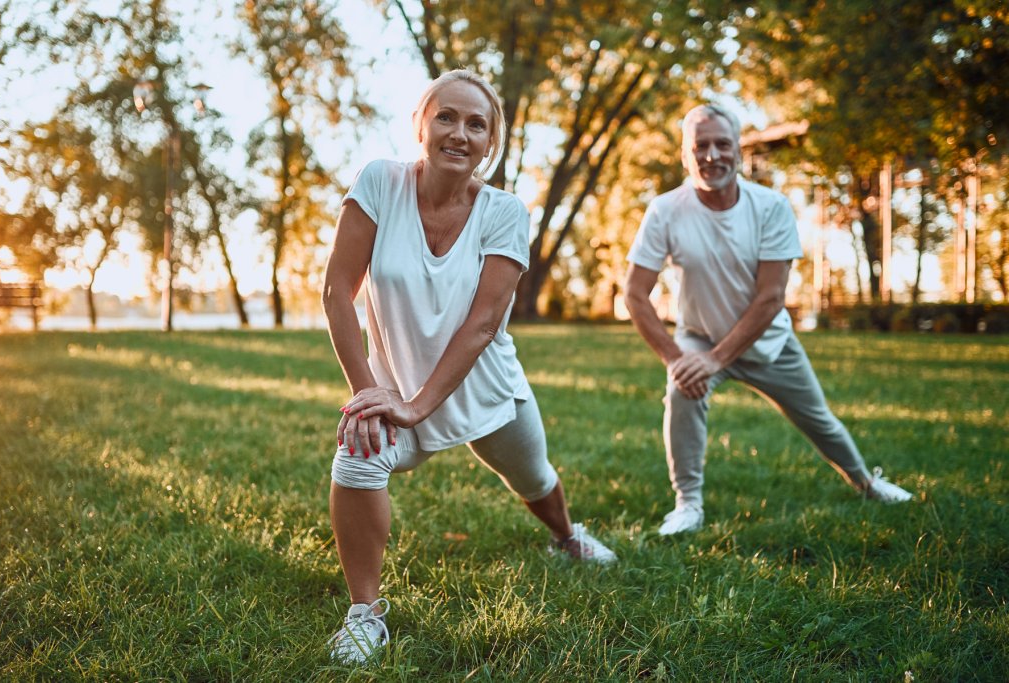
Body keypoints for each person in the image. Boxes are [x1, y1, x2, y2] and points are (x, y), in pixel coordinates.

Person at [321, 69, 616, 667]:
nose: (459, 132)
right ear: (421, 126)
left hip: (485, 389)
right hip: (392, 389)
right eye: (446, 117)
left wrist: (418, 406)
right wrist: (370, 394)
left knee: (534, 478)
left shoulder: (505, 212)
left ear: (490, 144)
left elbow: (483, 325)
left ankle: (567, 536)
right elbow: (335, 291)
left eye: (476, 124)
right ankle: (365, 616)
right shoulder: (380, 182)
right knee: (355, 456)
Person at [623, 104, 913, 537]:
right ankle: (688, 505)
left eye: (723, 144)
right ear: (685, 156)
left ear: (739, 152)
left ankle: (867, 482)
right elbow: (633, 293)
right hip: (698, 337)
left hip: (768, 343)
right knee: (681, 394)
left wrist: (717, 360)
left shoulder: (771, 207)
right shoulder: (665, 210)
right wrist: (675, 358)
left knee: (819, 419)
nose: (712, 155)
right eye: (699, 146)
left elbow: (771, 297)